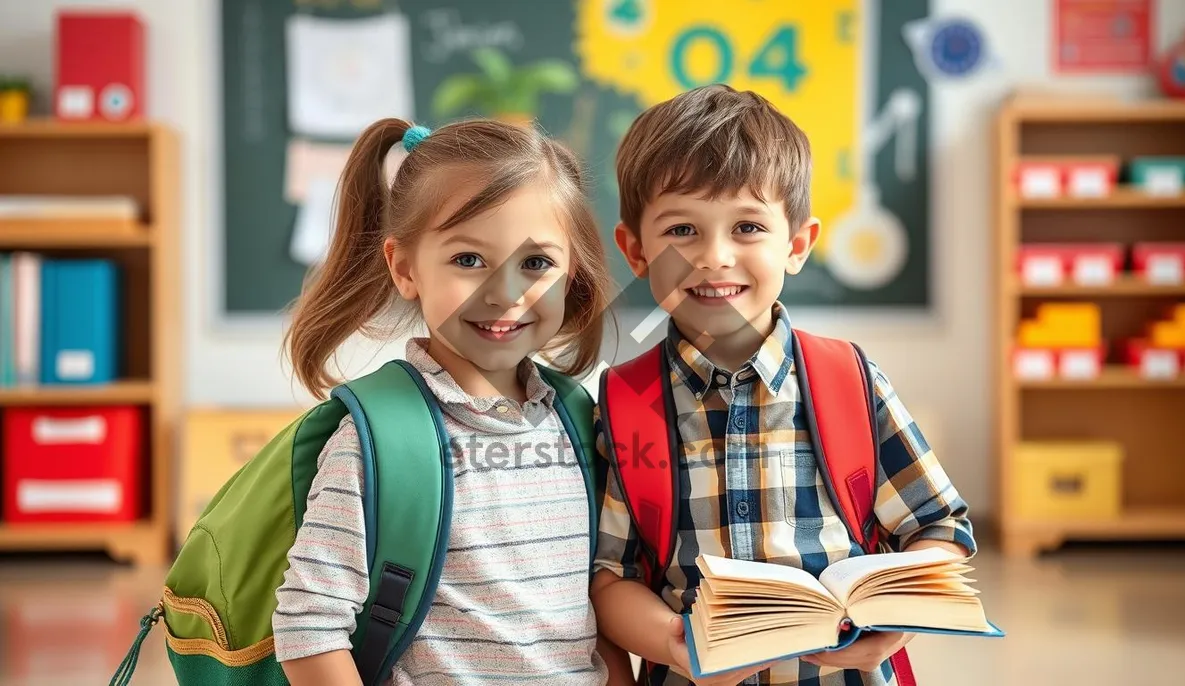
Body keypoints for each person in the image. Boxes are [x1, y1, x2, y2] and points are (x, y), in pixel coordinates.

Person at [589, 84, 977, 686]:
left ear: (796, 245)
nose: (714, 256)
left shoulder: (849, 380)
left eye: (747, 227)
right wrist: (672, 643)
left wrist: (894, 616)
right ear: (635, 252)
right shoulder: (624, 404)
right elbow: (608, 578)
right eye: (681, 231)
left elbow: (939, 526)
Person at [275, 116, 634, 685]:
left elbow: (594, 607)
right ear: (404, 268)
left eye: (536, 263)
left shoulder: (576, 419)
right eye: (468, 260)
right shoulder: (381, 440)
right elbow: (308, 625)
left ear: (573, 272)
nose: (504, 293)